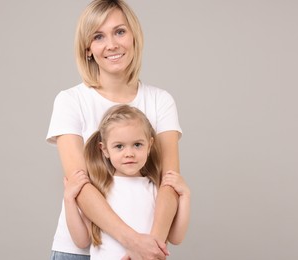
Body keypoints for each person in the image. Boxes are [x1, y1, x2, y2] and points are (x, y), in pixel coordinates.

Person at [46, 0, 183, 259]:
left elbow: (170, 181)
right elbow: (80, 185)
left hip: (147, 249)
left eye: (119, 31)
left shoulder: (160, 101)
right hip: (79, 252)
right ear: (88, 49)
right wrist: (132, 241)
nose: (112, 44)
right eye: (98, 36)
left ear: (133, 36)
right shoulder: (70, 100)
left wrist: (150, 245)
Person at [63, 104, 190, 259]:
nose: (129, 153)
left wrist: (185, 196)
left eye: (137, 145)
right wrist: (69, 200)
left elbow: (176, 237)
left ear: (149, 145)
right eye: (119, 146)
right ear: (104, 150)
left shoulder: (156, 189)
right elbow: (81, 240)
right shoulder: (100, 191)